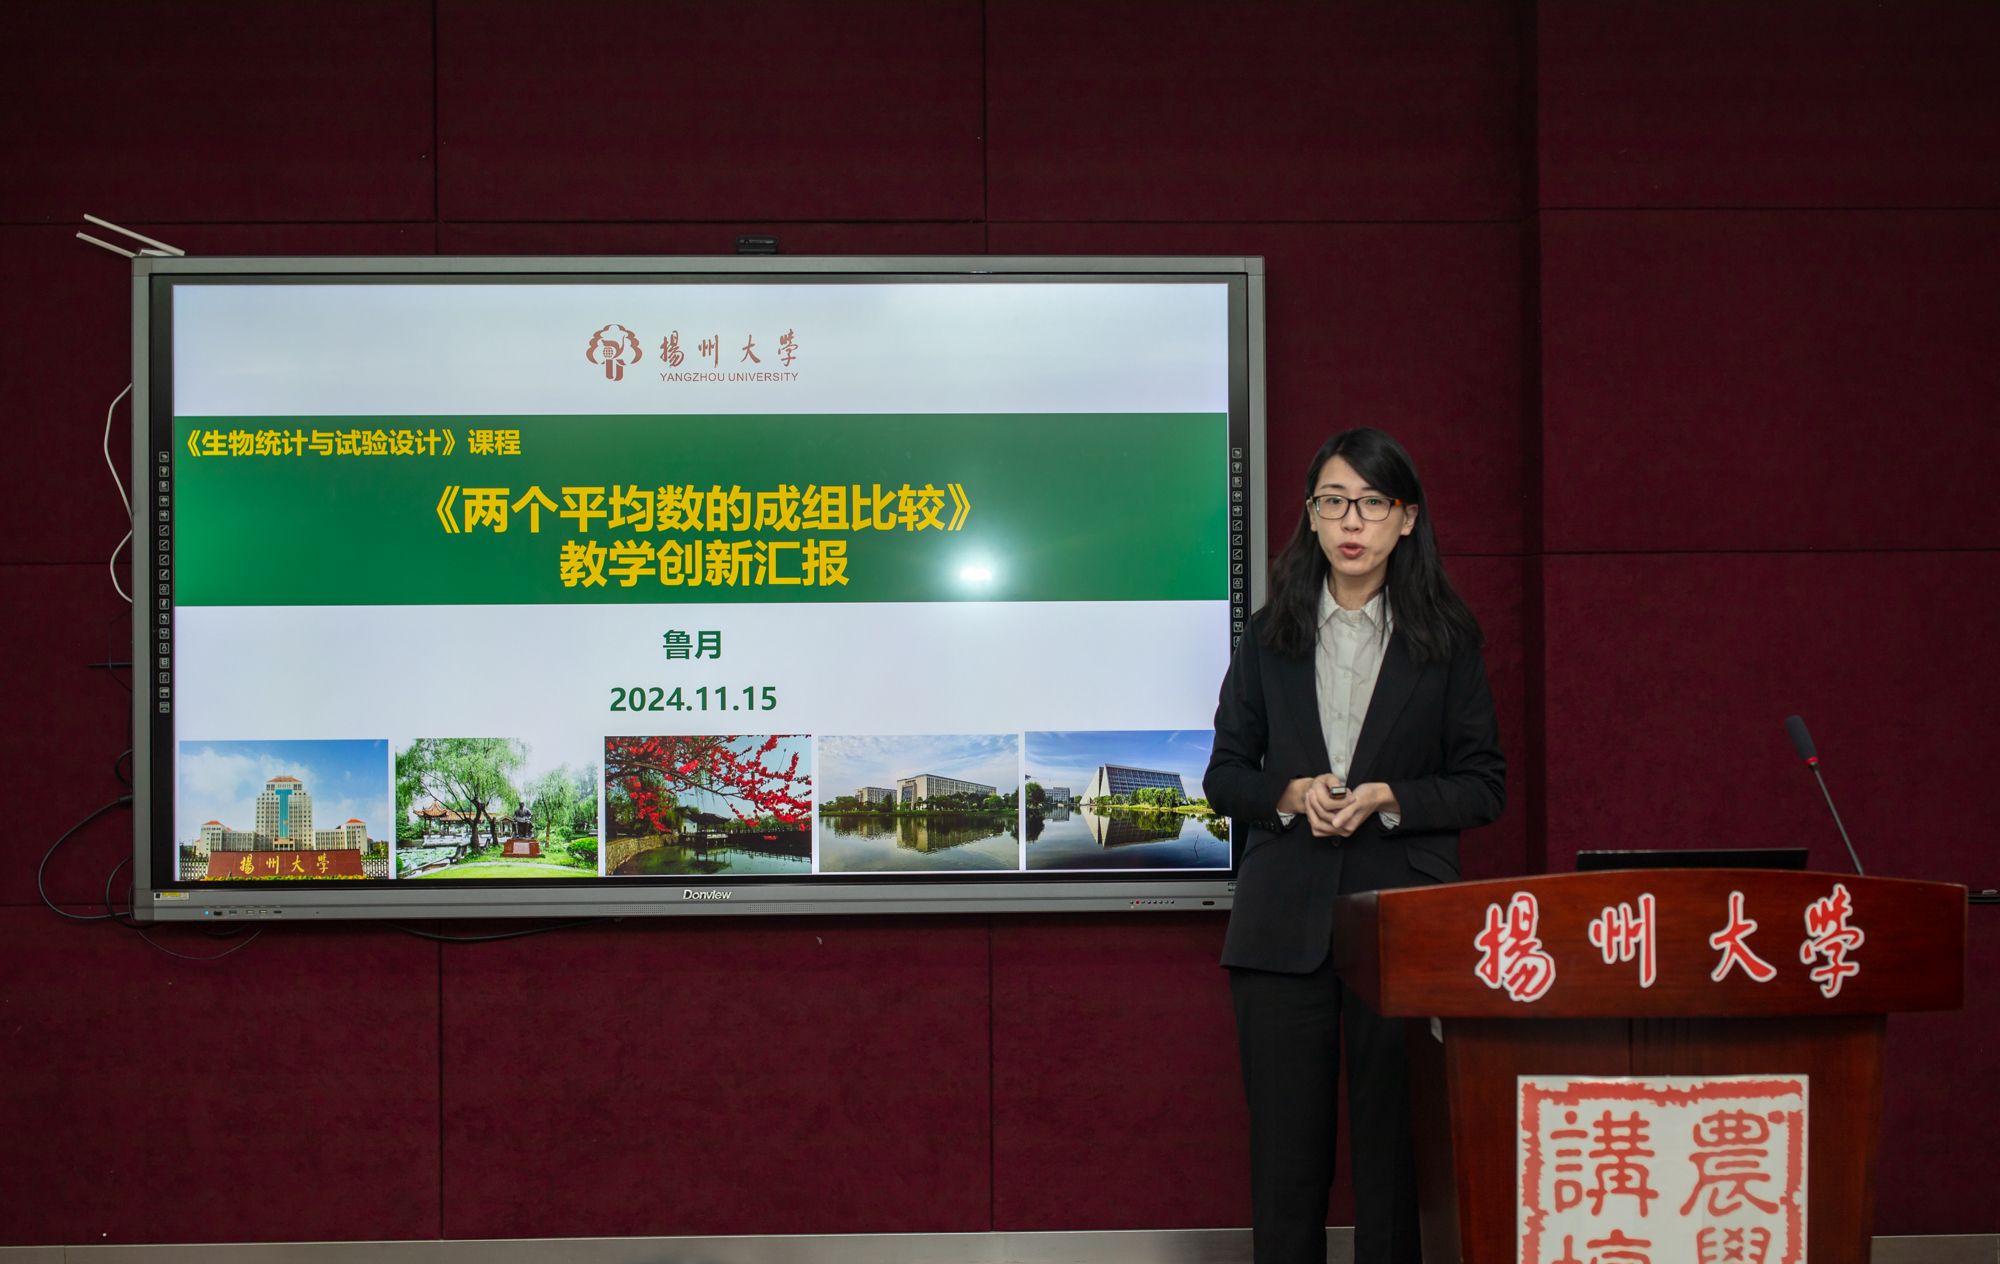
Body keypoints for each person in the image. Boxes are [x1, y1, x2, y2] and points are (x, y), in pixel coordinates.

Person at [1205, 427, 1505, 1264]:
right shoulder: (1269, 636)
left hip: (1400, 923)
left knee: (1397, 1159)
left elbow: (1483, 784)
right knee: (1285, 1164)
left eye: (1372, 503)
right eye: (1333, 501)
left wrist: (1387, 798)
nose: (1351, 521)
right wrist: (1290, 795)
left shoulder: (1447, 640)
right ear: (1310, 515)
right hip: (1280, 922)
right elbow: (1224, 776)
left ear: (1405, 520)